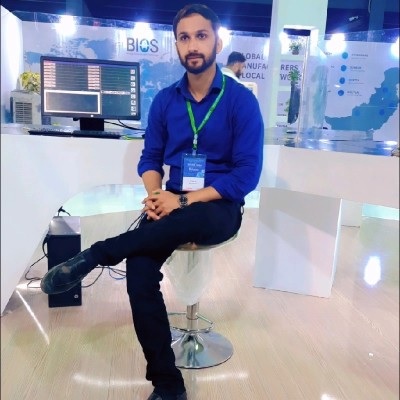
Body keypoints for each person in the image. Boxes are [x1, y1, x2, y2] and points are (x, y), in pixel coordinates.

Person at [40, 4, 264, 400]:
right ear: (176, 45)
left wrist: (183, 201)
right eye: (184, 37)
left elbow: (246, 175)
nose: (192, 45)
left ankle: (98, 253)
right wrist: (157, 195)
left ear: (217, 42)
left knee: (187, 219)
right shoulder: (164, 101)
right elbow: (150, 159)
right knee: (140, 271)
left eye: (201, 36)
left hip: (220, 205)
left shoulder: (241, 102)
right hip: (171, 200)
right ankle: (167, 383)